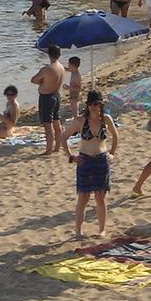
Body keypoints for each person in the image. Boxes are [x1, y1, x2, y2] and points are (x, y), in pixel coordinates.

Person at [63, 91, 119, 239]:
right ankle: (78, 231)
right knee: (83, 197)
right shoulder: (81, 121)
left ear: (101, 105)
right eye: (91, 104)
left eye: (97, 104)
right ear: (87, 105)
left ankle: (102, 229)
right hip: (85, 161)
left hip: (101, 160)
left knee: (100, 197)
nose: (94, 107)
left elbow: (116, 136)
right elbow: (63, 137)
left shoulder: (106, 119)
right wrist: (71, 157)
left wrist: (112, 153)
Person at [30, 46, 66, 155]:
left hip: (47, 97)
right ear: (59, 55)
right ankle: (57, 147)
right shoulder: (61, 67)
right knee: (56, 121)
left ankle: (49, 149)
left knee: (48, 124)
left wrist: (42, 82)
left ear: (49, 55)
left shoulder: (47, 69)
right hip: (56, 95)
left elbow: (33, 80)